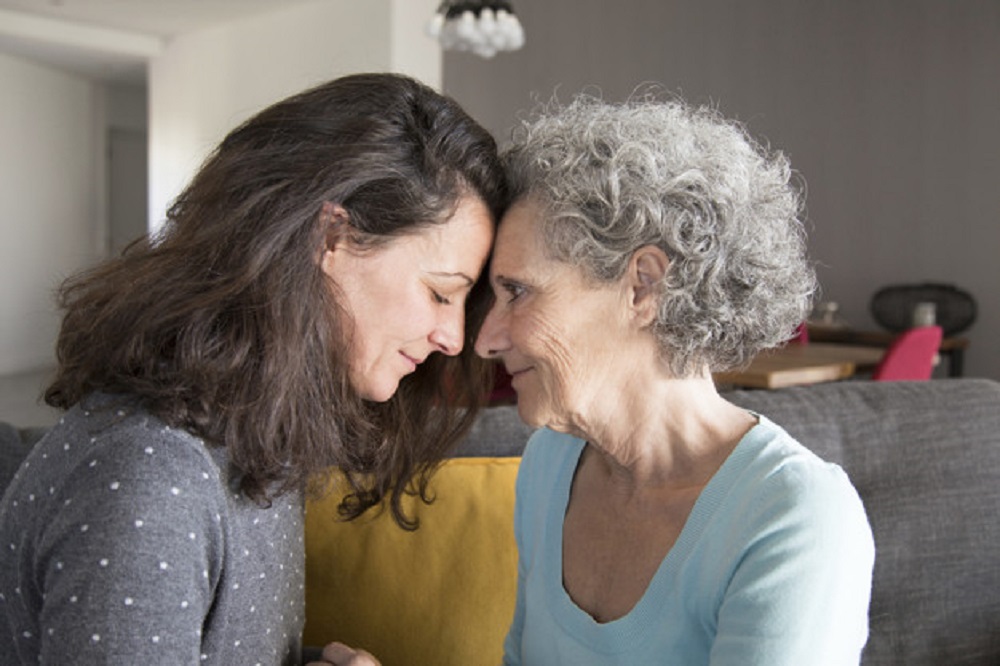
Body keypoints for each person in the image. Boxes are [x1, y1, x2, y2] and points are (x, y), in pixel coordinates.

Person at [0, 72, 506, 666]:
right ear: (332, 237)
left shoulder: (246, 433)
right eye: (440, 293)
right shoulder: (151, 480)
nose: (452, 338)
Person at [475, 94, 875, 665]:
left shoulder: (793, 516)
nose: (486, 339)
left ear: (643, 286)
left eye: (517, 291)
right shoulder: (549, 462)